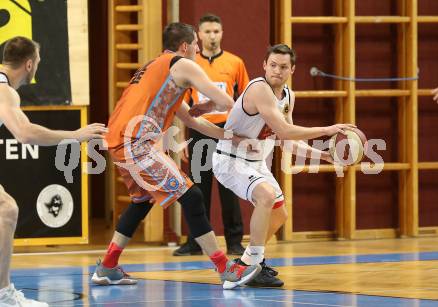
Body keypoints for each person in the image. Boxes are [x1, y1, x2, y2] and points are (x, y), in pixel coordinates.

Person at [91, 23, 261, 290]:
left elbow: (195, 122)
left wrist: (235, 139)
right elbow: (227, 101)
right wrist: (257, 113)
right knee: (192, 196)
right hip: (136, 143)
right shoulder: (182, 63)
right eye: (195, 44)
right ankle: (225, 268)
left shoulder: (159, 68)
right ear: (185, 46)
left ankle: (107, 266)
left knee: (142, 200)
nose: (198, 48)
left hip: (119, 141)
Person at [211, 44, 355, 287]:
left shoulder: (288, 95)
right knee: (266, 197)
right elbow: (284, 129)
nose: (277, 70)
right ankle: (253, 266)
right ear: (264, 65)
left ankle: (246, 265)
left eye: (283, 67)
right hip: (230, 159)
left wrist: (323, 155)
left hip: (255, 162)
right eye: (273, 65)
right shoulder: (259, 89)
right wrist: (326, 130)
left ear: (292, 69)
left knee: (279, 215)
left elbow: (286, 141)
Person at [0, 36, 107, 306]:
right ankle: (3, 296)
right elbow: (25, 133)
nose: (38, 65)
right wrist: (75, 135)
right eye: (38, 61)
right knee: (6, 210)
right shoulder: (5, 90)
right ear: (29, 64)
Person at [173, 13, 248, 256]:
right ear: (199, 35)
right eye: (207, 32)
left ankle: (235, 241)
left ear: (222, 33)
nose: (212, 36)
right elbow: (180, 105)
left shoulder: (235, 63)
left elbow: (244, 100)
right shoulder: (190, 64)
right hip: (198, 130)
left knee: (230, 188)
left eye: (216, 31)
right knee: (197, 189)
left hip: (226, 131)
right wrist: (182, 137)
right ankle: (195, 241)